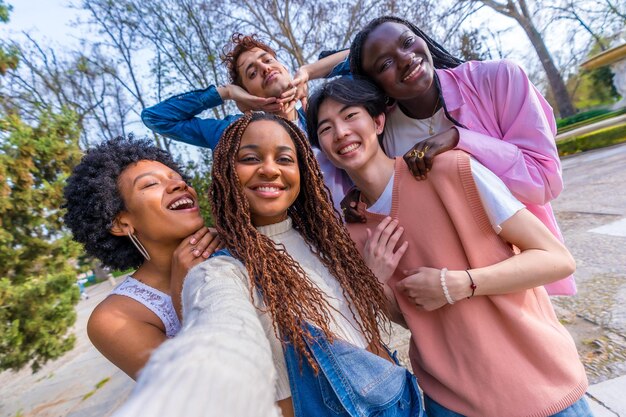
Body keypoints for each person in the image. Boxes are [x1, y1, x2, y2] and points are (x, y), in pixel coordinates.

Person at [306, 77, 592, 417]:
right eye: (326, 128)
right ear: (321, 146)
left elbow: (556, 259)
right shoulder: (350, 230)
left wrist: (459, 283)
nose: (340, 132)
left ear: (378, 121)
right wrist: (375, 280)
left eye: (351, 115)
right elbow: (410, 317)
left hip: (540, 384)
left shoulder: (451, 170)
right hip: (453, 402)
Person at [111, 113, 424, 417]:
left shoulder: (327, 240)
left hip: (403, 400)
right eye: (250, 158)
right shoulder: (218, 269)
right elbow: (219, 324)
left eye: (286, 159)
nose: (270, 169)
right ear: (224, 172)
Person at [342, 16, 574, 295]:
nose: (405, 59)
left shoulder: (499, 78)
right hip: (447, 282)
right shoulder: (383, 132)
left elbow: (544, 182)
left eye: (407, 42)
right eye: (385, 64)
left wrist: (459, 139)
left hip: (521, 265)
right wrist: (364, 198)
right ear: (373, 84)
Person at [63, 136, 220, 379]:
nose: (180, 185)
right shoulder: (113, 319)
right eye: (149, 185)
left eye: (178, 179)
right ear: (121, 223)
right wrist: (183, 291)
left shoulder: (235, 249)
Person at [141, 33, 352, 209]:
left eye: (268, 60)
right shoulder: (235, 133)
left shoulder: (322, 112)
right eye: (252, 73)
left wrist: (309, 71)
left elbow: (367, 53)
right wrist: (226, 93)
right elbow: (157, 118)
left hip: (366, 227)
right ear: (247, 97)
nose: (264, 67)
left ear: (285, 69)